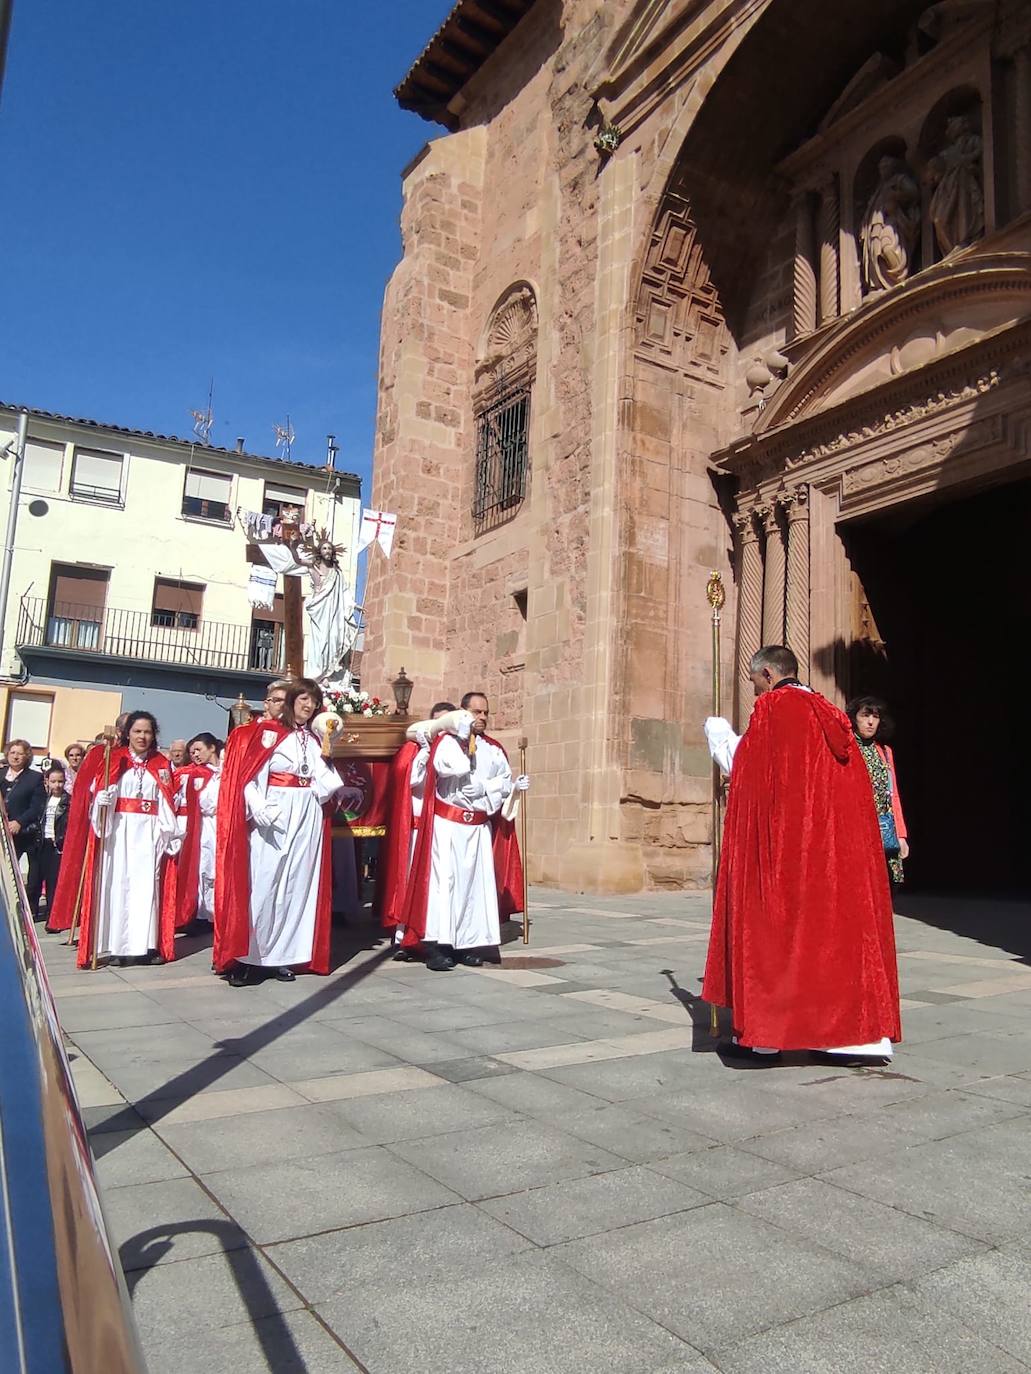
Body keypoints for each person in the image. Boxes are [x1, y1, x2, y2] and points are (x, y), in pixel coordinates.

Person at [702, 646, 901, 1066]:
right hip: (836, 853)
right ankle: (851, 1040)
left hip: (789, 850)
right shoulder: (827, 711)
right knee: (833, 936)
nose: (756, 693)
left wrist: (720, 738)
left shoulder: (776, 707)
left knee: (776, 933)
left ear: (769, 674)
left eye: (756, 683)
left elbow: (751, 771)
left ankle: (765, 1038)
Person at [216, 679, 344, 986]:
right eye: (303, 699)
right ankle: (252, 959)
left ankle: (283, 957)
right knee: (266, 882)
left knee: (297, 885)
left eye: (313, 701)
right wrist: (258, 806)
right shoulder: (268, 733)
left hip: (307, 813)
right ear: (290, 701)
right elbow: (248, 775)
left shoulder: (313, 739)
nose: (308, 705)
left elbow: (321, 777)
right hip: (274, 812)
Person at [399, 693, 529, 972]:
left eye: (485, 713)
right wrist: (455, 735)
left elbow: (504, 782)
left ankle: (467, 943)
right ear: (462, 713)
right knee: (444, 885)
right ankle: (438, 945)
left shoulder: (493, 748)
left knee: (473, 886)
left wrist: (486, 788)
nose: (481, 718)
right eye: (475, 712)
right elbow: (450, 768)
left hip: (478, 826)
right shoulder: (445, 743)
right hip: (448, 826)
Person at [76, 712, 180, 968]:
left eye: (147, 732)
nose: (142, 737)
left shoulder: (160, 764)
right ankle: (116, 945)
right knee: (118, 885)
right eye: (137, 732)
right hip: (119, 830)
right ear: (128, 734)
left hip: (148, 832)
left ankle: (144, 946)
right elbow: (98, 789)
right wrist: (102, 801)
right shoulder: (114, 760)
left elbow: (166, 800)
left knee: (146, 889)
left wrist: (170, 830)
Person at [380, 701, 456, 960]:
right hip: (415, 827)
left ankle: (437, 938)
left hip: (442, 828)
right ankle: (406, 938)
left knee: (438, 886)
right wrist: (425, 752)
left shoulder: (455, 750)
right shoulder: (413, 750)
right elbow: (410, 780)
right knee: (411, 882)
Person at [45, 713, 130, 935]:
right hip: (99, 819)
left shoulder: (139, 758)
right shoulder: (100, 754)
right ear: (121, 731)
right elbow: (86, 790)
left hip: (127, 824)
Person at [847, 696, 908, 886]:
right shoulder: (847, 749)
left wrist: (901, 835)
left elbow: (893, 795)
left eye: (875, 716)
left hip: (884, 831)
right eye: (865, 715)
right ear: (854, 718)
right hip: (856, 831)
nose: (870, 721)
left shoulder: (885, 751)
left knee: (887, 887)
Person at [163, 732, 217, 936]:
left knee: (212, 867)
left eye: (199, 750)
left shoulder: (220, 772)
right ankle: (197, 913)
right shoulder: (189, 773)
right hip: (194, 824)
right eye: (192, 751)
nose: (195, 754)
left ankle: (211, 913)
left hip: (215, 825)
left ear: (212, 748)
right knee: (199, 867)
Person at [27, 765, 70, 919]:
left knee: (52, 884)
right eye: (53, 781)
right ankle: (32, 913)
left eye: (60, 781)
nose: (57, 785)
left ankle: (52, 916)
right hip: (40, 844)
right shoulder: (42, 799)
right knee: (33, 882)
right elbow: (35, 819)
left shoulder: (68, 801)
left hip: (55, 846)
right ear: (47, 781)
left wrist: (62, 840)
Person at [0, 738, 46, 864]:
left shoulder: (35, 778)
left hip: (17, 833)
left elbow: (37, 806)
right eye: (12, 753)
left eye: (20, 754)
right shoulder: (1, 773)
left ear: (27, 756)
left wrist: (19, 822)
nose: (15, 757)